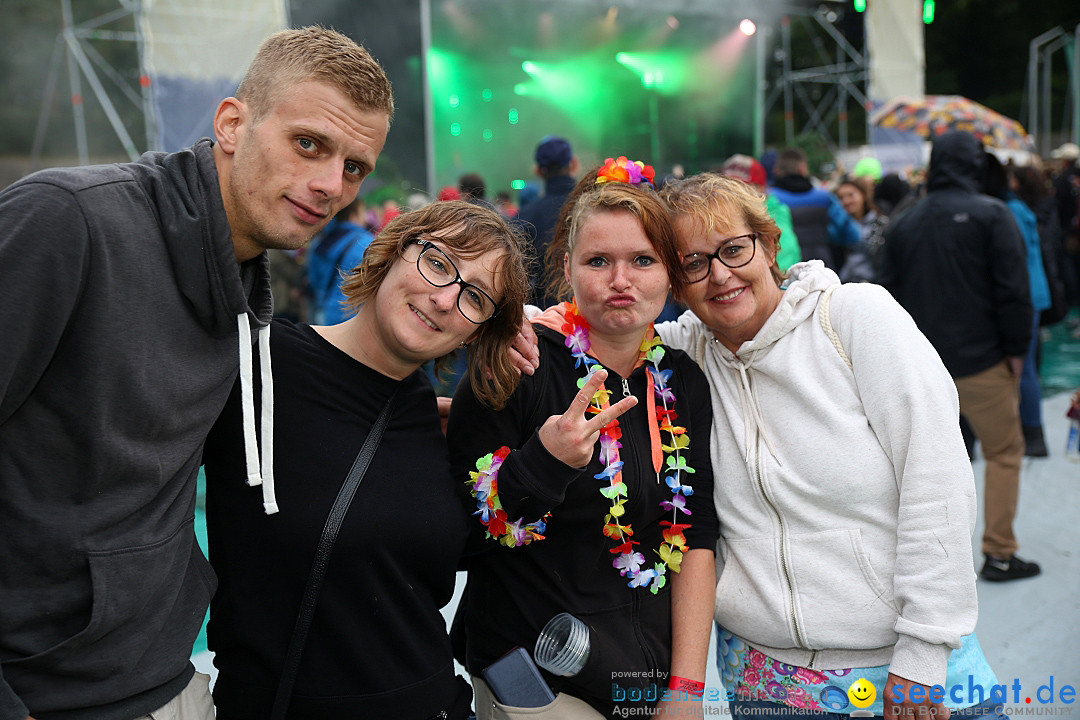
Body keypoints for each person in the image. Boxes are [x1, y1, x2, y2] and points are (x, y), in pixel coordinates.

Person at [0, 26, 392, 720]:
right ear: (233, 124)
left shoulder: (243, 281)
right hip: (44, 694)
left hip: (172, 679)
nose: (331, 183)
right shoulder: (69, 220)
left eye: (355, 167)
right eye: (309, 144)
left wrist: (490, 324)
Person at [655, 172, 1003, 720]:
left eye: (733, 249)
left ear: (768, 245)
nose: (719, 274)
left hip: (900, 669)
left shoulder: (855, 318)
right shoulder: (683, 357)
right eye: (693, 263)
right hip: (767, 683)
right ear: (675, 284)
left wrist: (924, 652)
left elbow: (937, 482)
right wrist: (543, 322)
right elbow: (601, 334)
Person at [202, 201, 529, 718]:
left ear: (479, 331)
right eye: (439, 263)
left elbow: (432, 558)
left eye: (476, 297)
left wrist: (545, 464)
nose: (446, 300)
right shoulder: (260, 366)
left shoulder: (436, 422)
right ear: (391, 252)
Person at [448, 157, 718, 719]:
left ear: (669, 273)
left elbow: (695, 538)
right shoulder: (514, 366)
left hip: (647, 682)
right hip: (540, 680)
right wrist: (543, 463)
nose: (621, 281)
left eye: (642, 260)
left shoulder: (683, 382)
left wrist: (687, 688)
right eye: (599, 261)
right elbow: (464, 538)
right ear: (567, 268)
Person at [880, 130, 1038, 583]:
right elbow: (1013, 292)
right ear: (975, 163)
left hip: (920, 369)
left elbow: (884, 297)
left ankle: (932, 564)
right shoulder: (993, 214)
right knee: (1005, 453)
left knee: (928, 467)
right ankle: (1000, 553)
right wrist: (1016, 352)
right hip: (984, 362)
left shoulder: (904, 222)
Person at [983, 155, 1052, 457]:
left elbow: (1013, 258)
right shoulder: (1019, 207)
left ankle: (1033, 434)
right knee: (1028, 367)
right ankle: (1032, 432)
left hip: (1023, 296)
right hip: (1034, 293)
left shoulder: (1007, 211)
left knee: (1022, 370)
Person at [768, 147, 859, 270]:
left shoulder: (770, 200)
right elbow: (852, 234)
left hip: (785, 272)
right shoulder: (825, 197)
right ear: (803, 168)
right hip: (822, 269)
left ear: (776, 170)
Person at [515, 135, 580, 306]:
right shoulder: (598, 206)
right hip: (594, 314)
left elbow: (518, 274)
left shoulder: (526, 216)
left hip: (545, 318)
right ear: (573, 163)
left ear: (538, 170)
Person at [718, 154, 801, 272]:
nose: (732, 195)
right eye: (725, 189)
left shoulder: (774, 219)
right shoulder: (726, 217)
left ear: (760, 189)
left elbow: (781, 269)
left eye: (740, 188)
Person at [306, 196, 375, 324]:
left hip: (323, 313)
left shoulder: (320, 241)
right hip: (352, 315)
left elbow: (313, 280)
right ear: (353, 215)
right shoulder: (366, 243)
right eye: (362, 211)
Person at [834, 176, 888, 283]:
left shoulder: (880, 224)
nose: (846, 201)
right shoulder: (836, 228)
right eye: (841, 198)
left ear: (863, 195)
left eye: (851, 195)